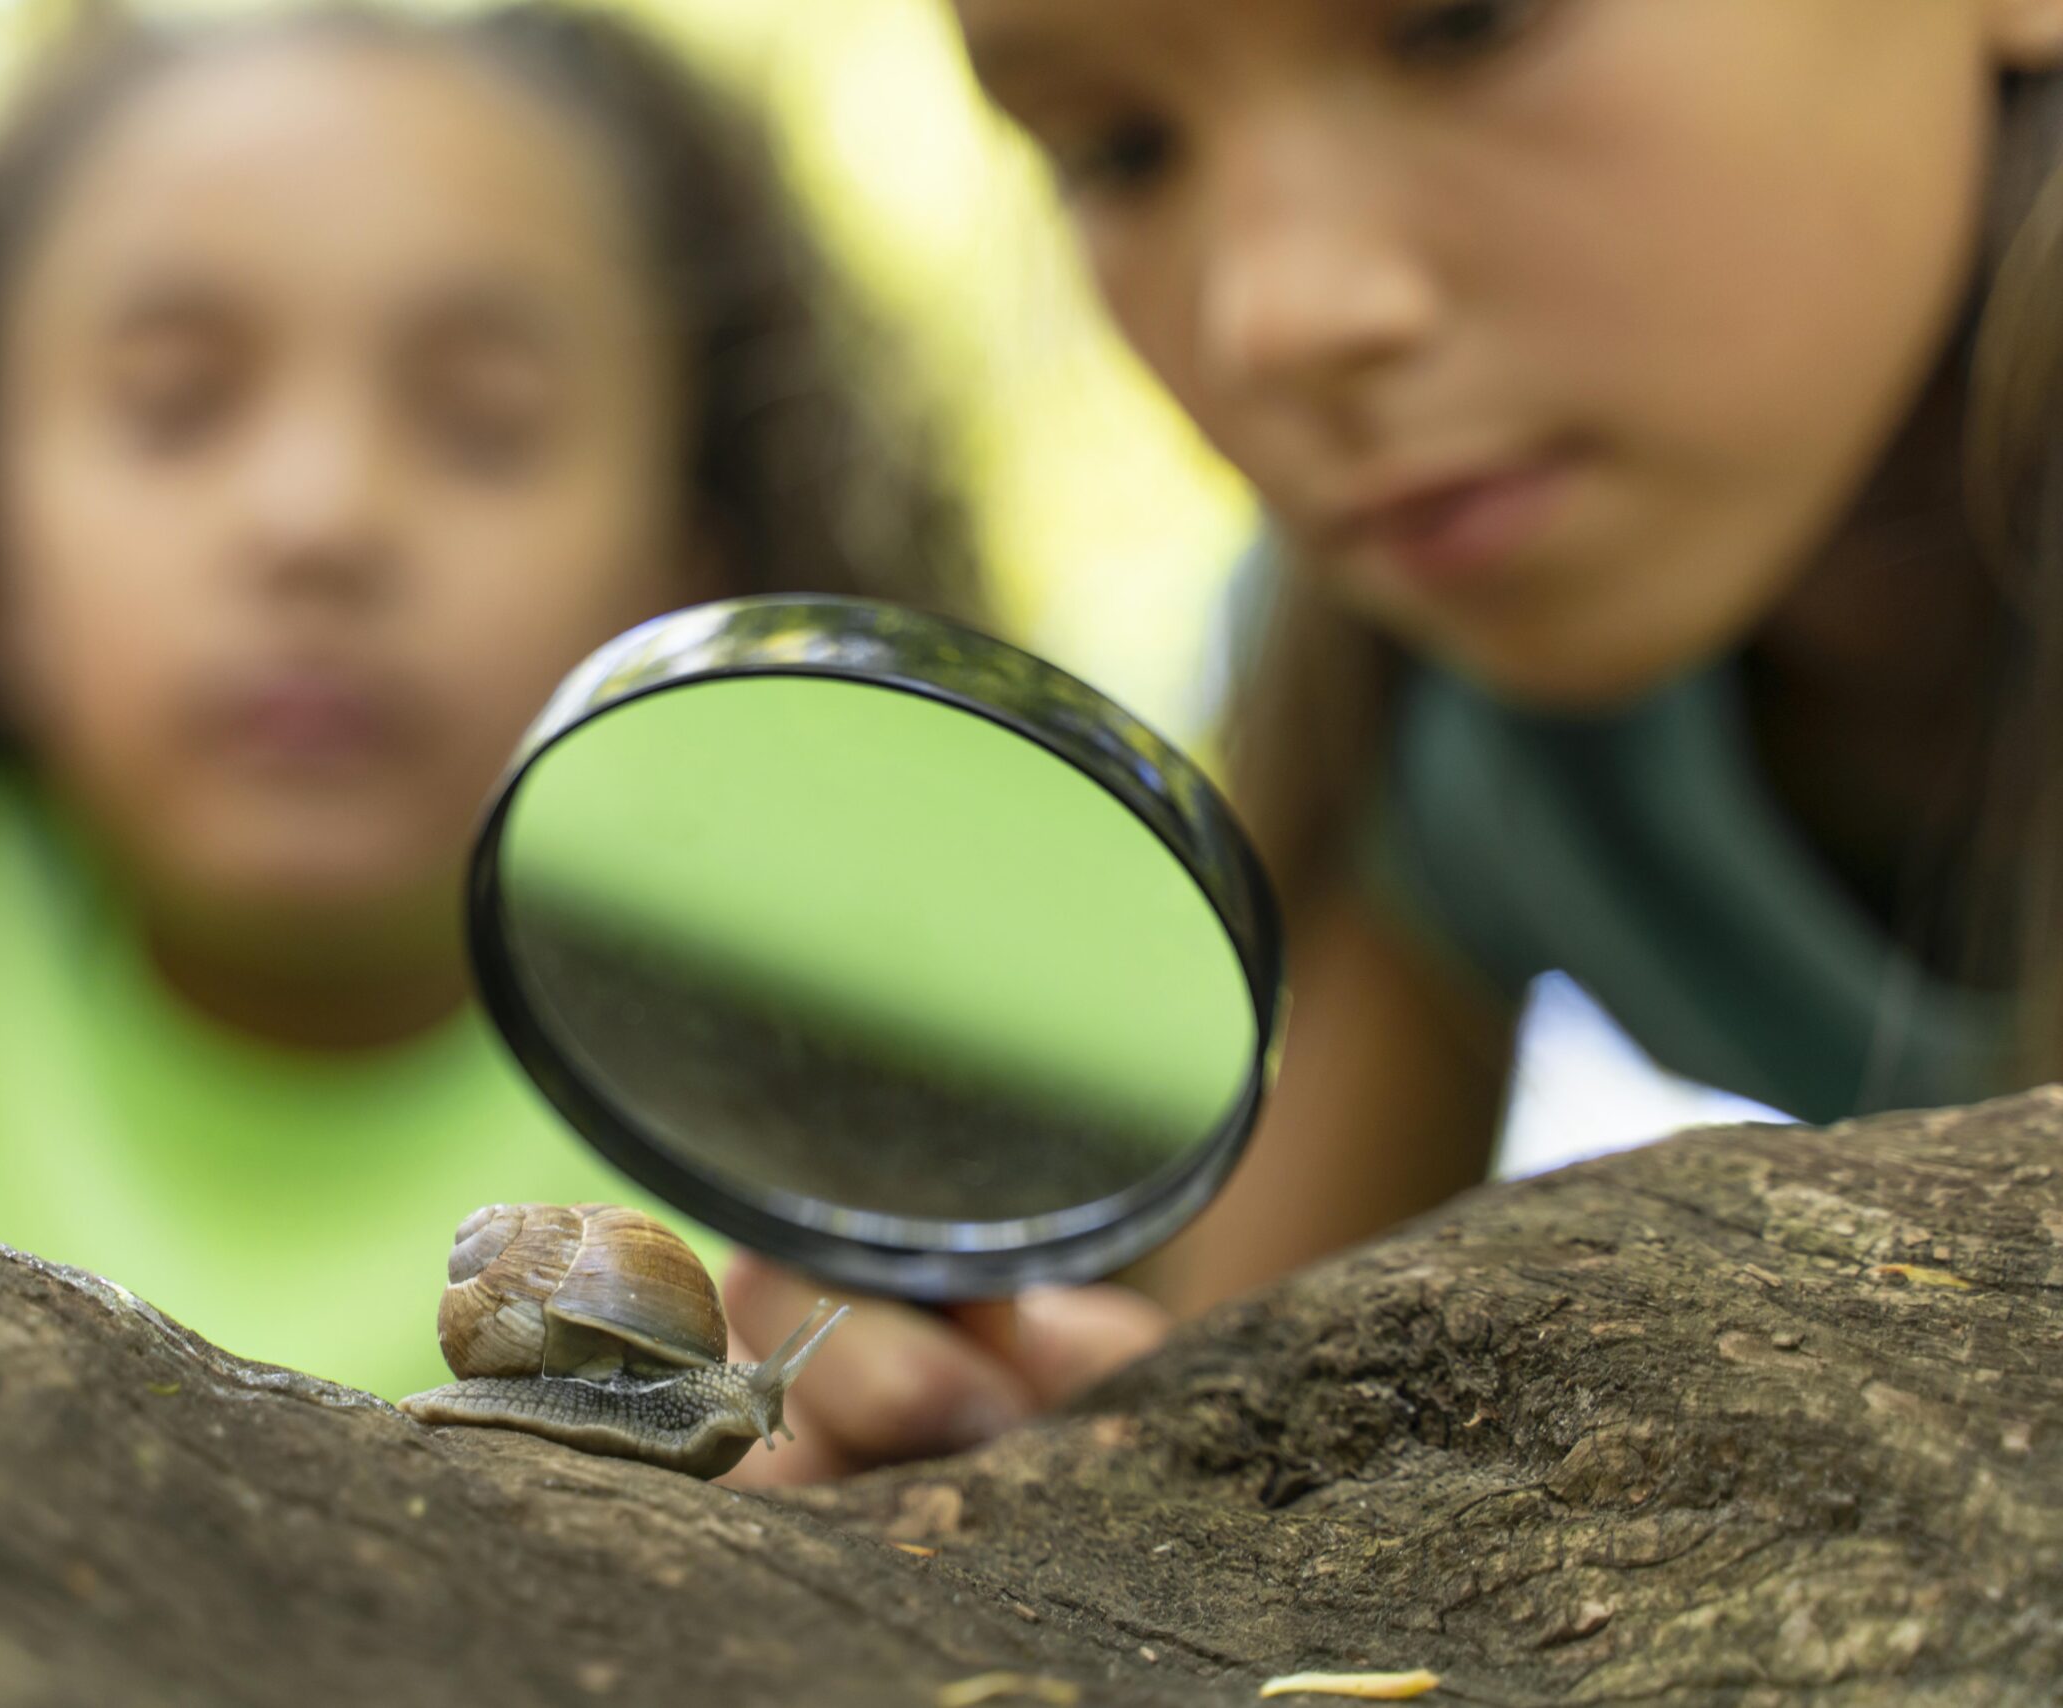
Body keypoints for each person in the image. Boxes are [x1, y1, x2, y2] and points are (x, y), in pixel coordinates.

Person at [0, 3, 980, 1404]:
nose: (318, 515)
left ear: (683, 570)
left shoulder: (843, 1110)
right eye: (175, 401)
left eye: (484, 425)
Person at [723, 0, 2063, 1481]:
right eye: (1123, 149)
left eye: (1461, 27)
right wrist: (1030, 1435)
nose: (1276, 316)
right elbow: (1256, 1363)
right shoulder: (1419, 693)